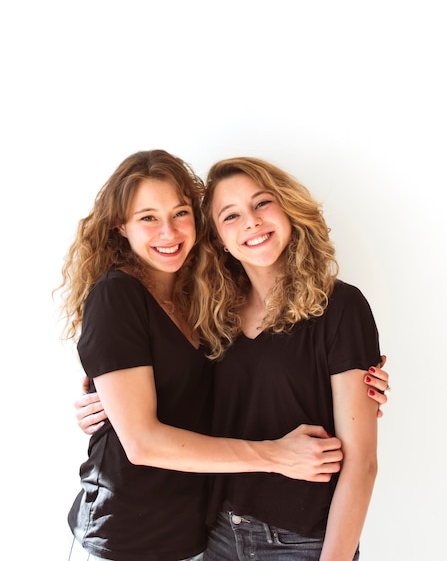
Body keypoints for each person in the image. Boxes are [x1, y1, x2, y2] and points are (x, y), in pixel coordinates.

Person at [59, 149, 373, 561]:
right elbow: (141, 440)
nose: (168, 232)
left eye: (262, 202)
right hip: (157, 534)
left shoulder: (209, 307)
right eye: (147, 217)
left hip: (238, 538)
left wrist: (367, 388)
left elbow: (361, 460)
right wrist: (276, 454)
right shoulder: (172, 304)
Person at [191, 156, 384, 560]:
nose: (251, 221)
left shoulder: (341, 307)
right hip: (219, 536)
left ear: (288, 207)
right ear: (217, 238)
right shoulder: (211, 317)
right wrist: (105, 401)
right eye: (231, 215)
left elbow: (361, 463)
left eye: (262, 203)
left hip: (301, 544)